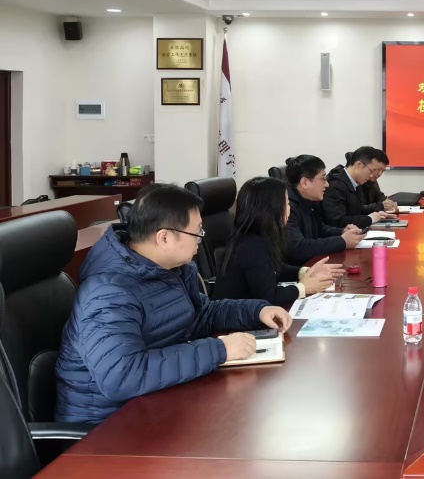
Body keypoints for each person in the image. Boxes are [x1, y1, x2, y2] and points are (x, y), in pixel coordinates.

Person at [55, 184, 292, 424]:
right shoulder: (108, 293)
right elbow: (123, 376)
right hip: (106, 427)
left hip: (156, 402)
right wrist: (219, 350)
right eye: (197, 232)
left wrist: (257, 310)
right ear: (165, 237)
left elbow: (201, 315)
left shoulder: (170, 269)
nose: (201, 239)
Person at [215, 176, 345, 304]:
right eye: (287, 203)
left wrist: (304, 272)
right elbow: (268, 297)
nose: (289, 208)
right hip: (237, 317)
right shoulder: (252, 245)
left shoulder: (257, 234)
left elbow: (271, 269)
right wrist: (303, 288)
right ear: (272, 208)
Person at [285, 154, 366, 263]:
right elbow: (297, 247)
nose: (327, 184)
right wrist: (342, 241)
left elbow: (318, 229)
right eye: (323, 178)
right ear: (304, 182)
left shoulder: (308, 200)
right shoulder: (286, 206)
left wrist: (342, 231)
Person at [323, 146, 397, 228]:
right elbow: (338, 221)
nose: (372, 175)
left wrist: (379, 215)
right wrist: (370, 219)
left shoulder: (355, 182)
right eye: (372, 170)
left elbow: (357, 210)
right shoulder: (335, 185)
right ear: (359, 165)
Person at [357, 148, 398, 214]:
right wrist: (380, 206)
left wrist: (389, 203)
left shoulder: (372, 181)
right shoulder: (355, 181)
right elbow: (356, 209)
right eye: (378, 169)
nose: (379, 174)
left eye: (382, 171)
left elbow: (379, 196)